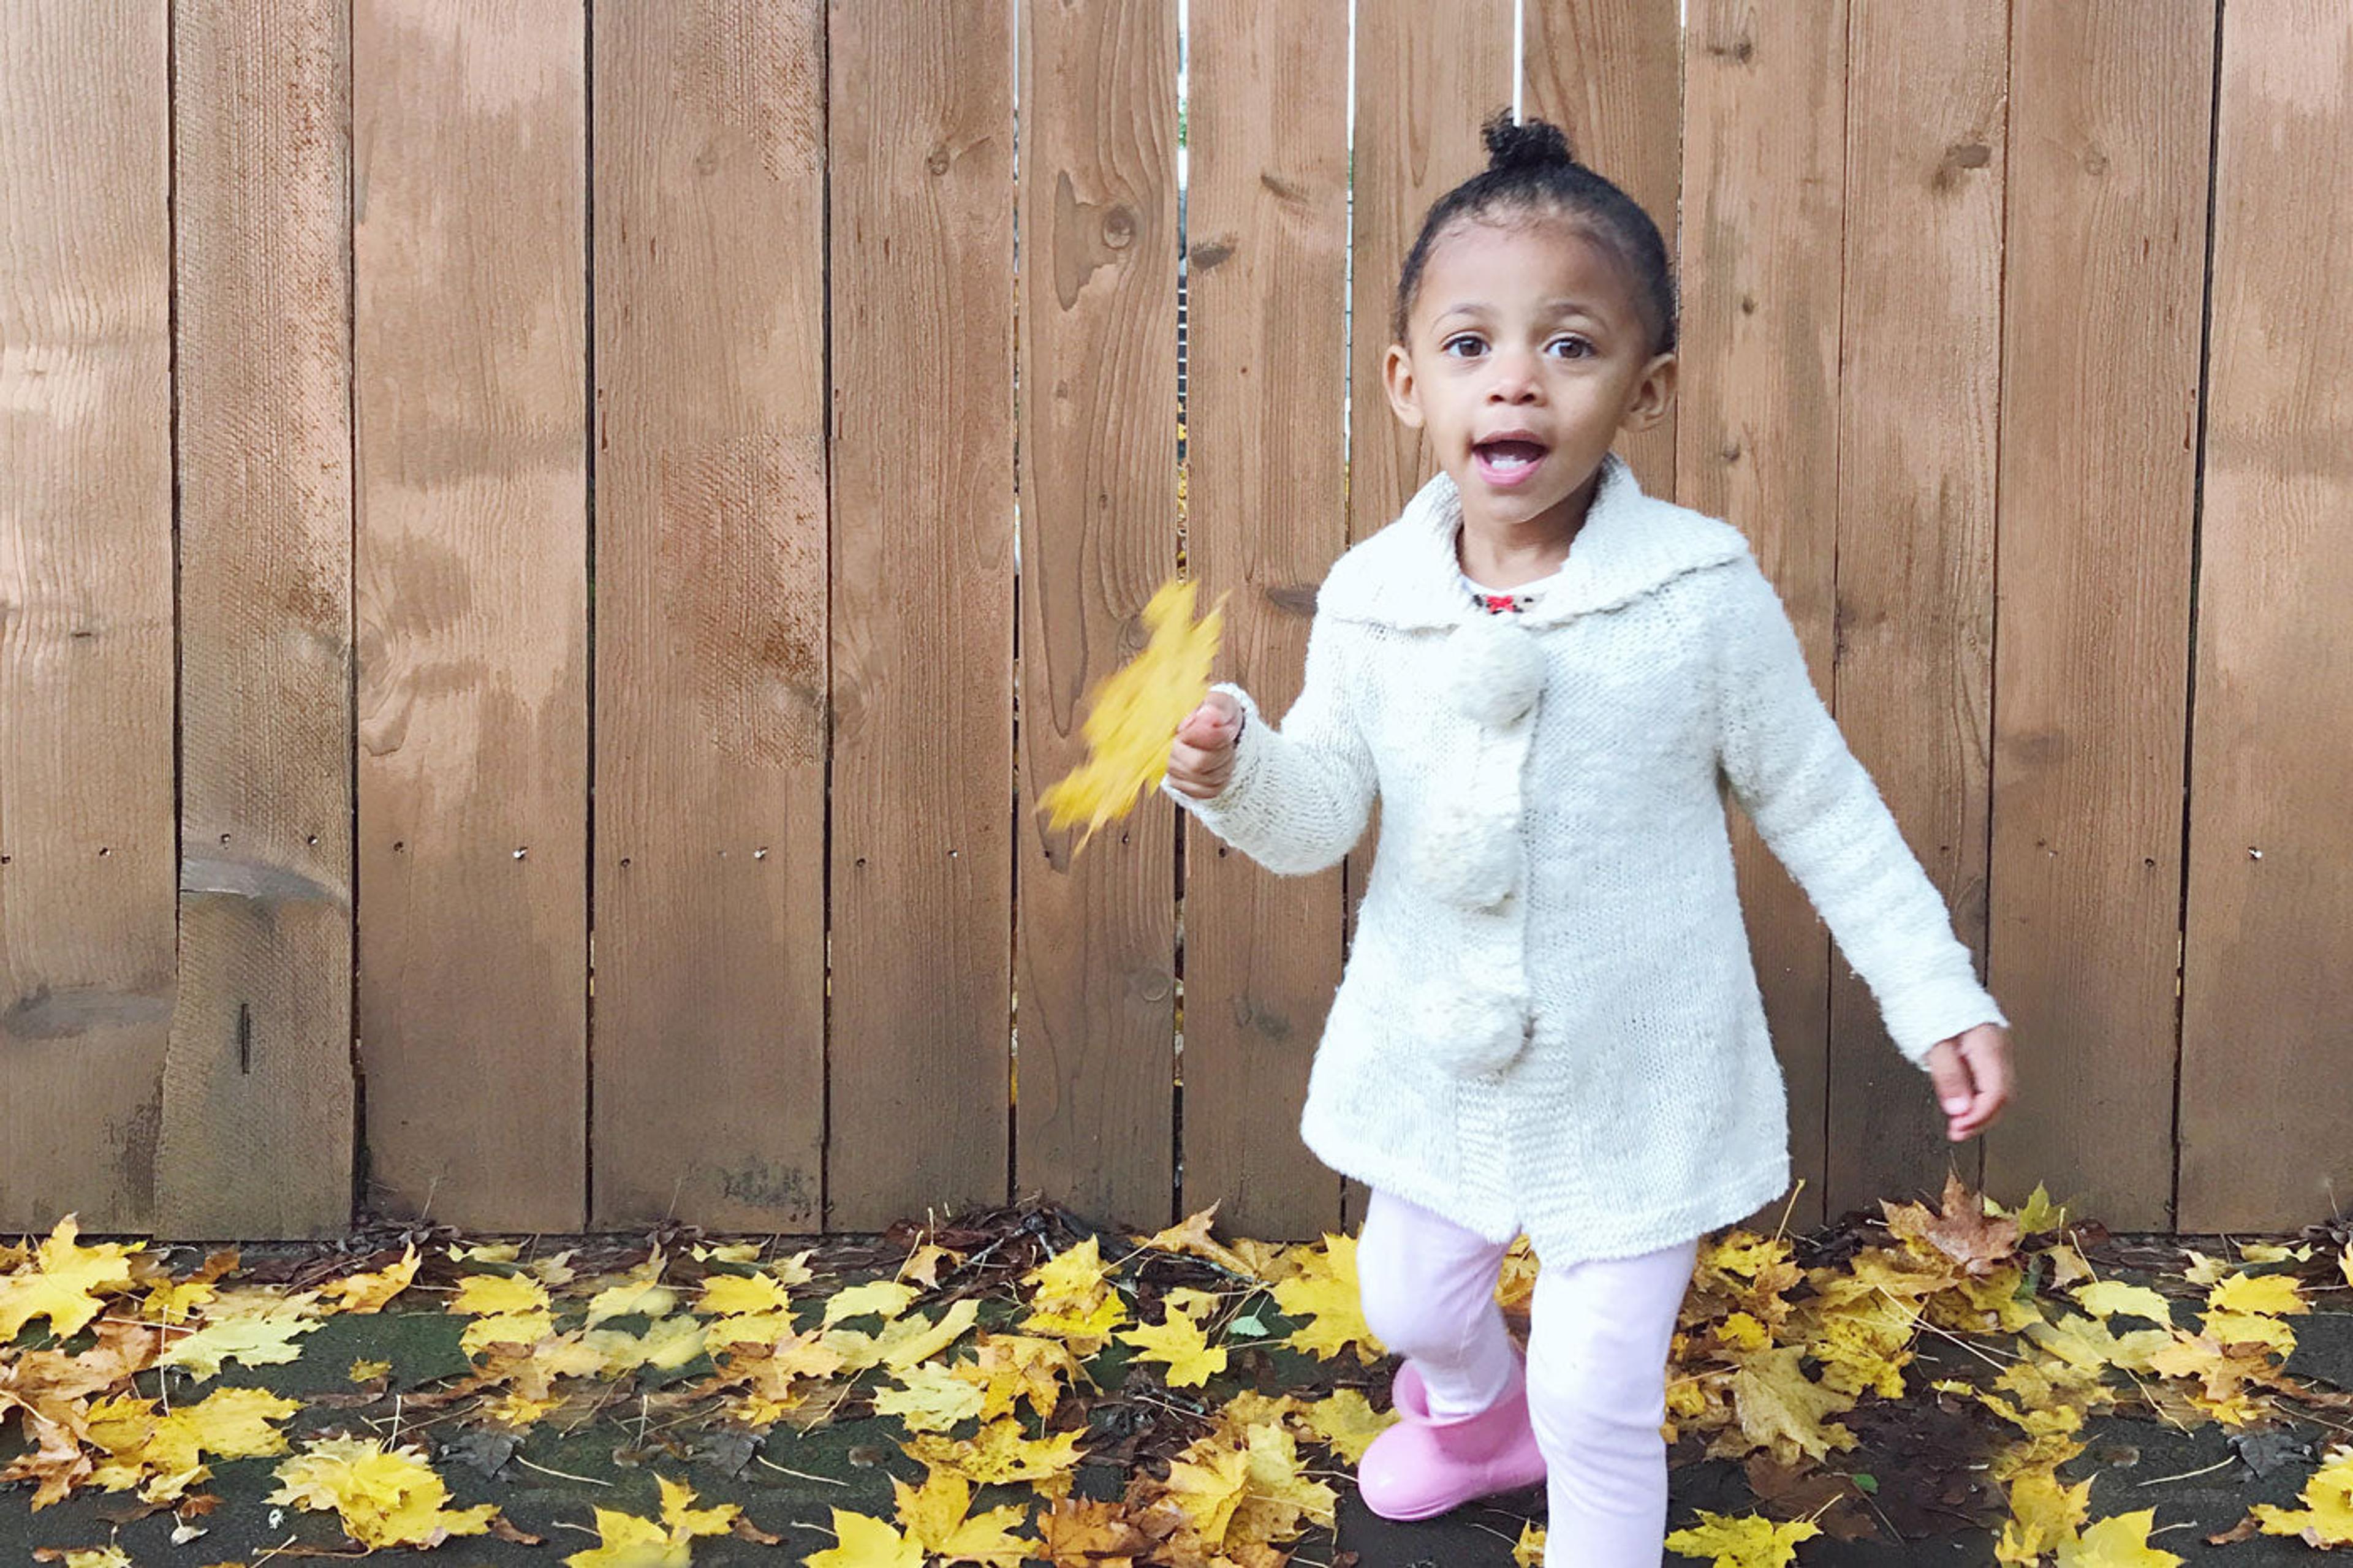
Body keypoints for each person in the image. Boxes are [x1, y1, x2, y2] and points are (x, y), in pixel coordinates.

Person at [1160, 109, 2014, 1564]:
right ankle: (1480, 1424)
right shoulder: (1376, 600)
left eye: (1570, 345)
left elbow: (1818, 799)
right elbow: (1321, 822)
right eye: (1473, 344)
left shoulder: (1696, 594)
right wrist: (1238, 765)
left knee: (1600, 1387)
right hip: (1440, 1057)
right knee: (1414, 1308)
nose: (1518, 380)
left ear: (1648, 384)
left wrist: (1935, 992)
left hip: (1640, 1067)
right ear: (1406, 381)